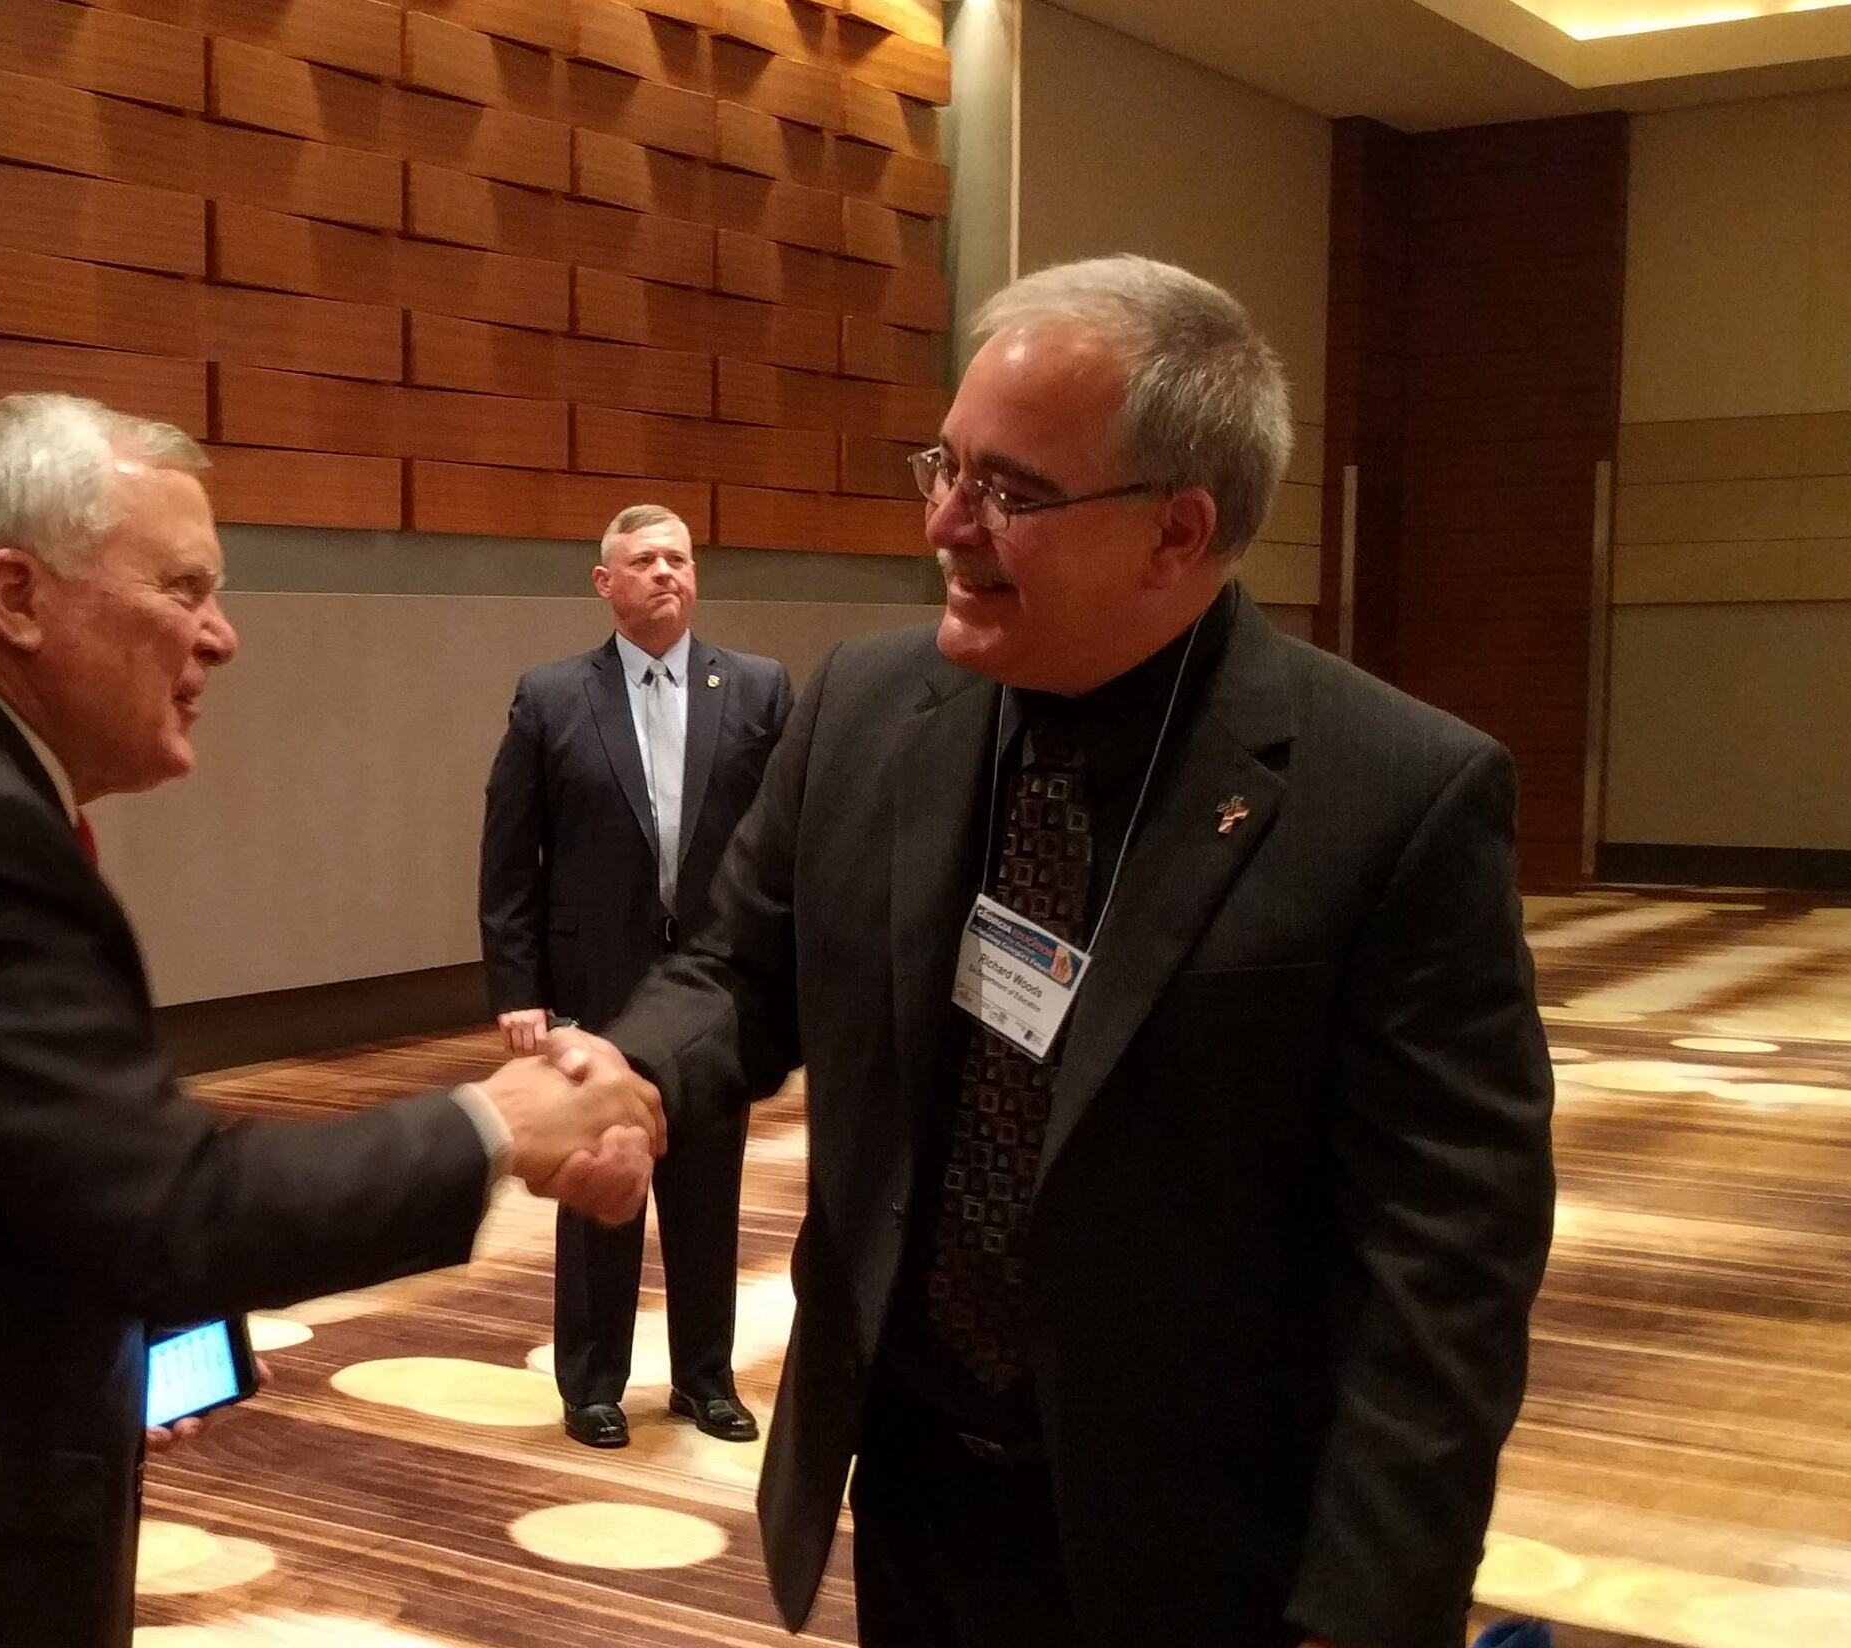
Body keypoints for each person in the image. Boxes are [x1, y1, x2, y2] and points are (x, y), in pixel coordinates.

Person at [0, 393, 665, 1648]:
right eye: (184, 588)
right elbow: (176, 1208)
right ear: (17, 596)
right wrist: (498, 1121)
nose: (222, 638)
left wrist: (97, 1341)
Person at [592, 257, 1555, 1648]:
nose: (943, 523)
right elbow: (741, 969)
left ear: (1178, 532)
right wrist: (635, 1078)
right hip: (917, 1489)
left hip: (1204, 1549)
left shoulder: (1396, 796)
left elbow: (1446, 1262)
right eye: (944, 466)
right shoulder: (867, 709)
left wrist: (1368, 1610)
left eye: (1009, 492)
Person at [479, 504, 794, 1449]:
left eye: (679, 558)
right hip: (594, 990)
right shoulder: (551, 697)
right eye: (644, 560)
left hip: (716, 994)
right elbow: (510, 855)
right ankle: (593, 1383)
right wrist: (517, 989)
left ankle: (704, 1377)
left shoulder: (757, 688)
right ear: (604, 583)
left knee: (708, 1186)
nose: (666, 572)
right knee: (598, 1183)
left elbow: (783, 848)